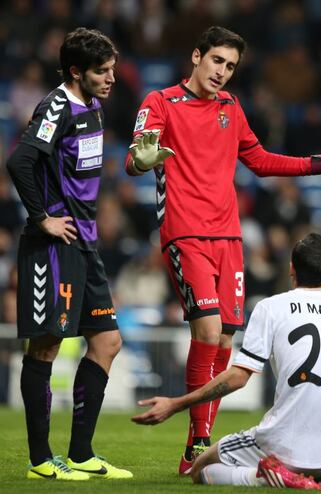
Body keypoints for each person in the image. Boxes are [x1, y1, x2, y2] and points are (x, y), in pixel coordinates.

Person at [124, 25, 321, 474]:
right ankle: (198, 443)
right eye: (217, 60)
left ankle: (197, 444)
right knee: (207, 329)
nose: (223, 72)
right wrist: (143, 158)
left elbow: (259, 159)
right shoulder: (160, 102)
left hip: (229, 237)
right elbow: (135, 157)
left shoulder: (231, 108)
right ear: (196, 56)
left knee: (224, 339)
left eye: (231, 66)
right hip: (186, 234)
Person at [132, 233, 321, 489]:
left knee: (200, 469)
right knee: (314, 459)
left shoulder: (271, 307)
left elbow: (238, 377)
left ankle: (266, 477)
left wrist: (176, 404)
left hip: (282, 444)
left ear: (291, 269)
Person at [6, 27, 132, 480]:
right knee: (46, 347)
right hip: (52, 244)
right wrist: (42, 218)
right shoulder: (55, 106)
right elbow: (19, 162)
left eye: (113, 70)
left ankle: (81, 453)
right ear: (76, 72)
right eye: (102, 72)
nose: (111, 79)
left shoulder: (94, 107)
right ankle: (41, 460)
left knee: (107, 342)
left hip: (85, 241)